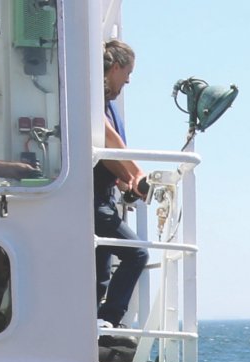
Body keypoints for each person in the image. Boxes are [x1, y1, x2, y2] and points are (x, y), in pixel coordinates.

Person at [96, 39, 150, 327]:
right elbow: (109, 143)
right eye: (126, 75)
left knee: (100, 271)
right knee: (136, 254)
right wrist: (137, 175)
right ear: (114, 67)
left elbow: (106, 158)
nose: (126, 81)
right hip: (92, 202)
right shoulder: (95, 103)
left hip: (102, 197)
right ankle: (109, 320)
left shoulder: (103, 103)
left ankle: (99, 324)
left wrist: (125, 179)